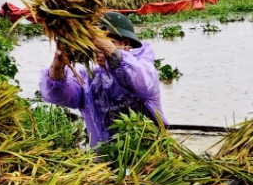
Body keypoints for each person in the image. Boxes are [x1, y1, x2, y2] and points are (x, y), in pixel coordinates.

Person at [39, 11, 165, 147]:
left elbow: (139, 81)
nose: (98, 49)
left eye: (109, 40)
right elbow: (59, 95)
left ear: (126, 44)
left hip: (149, 156)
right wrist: (58, 63)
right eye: (95, 44)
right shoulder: (87, 79)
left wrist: (108, 50)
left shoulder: (143, 68)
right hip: (104, 161)